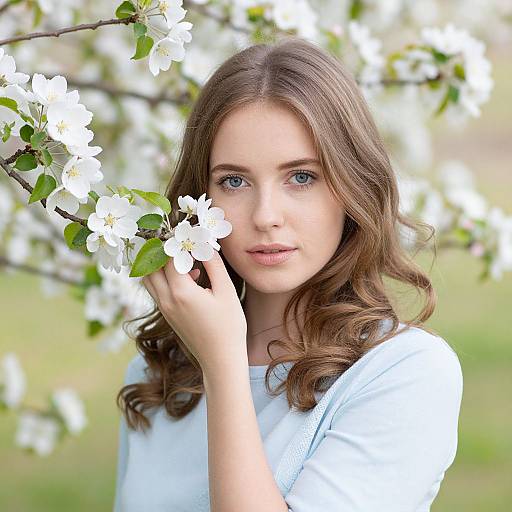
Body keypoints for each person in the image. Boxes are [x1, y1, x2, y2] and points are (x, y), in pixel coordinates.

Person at [113, 36, 463, 512]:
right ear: (200, 199)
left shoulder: (403, 373)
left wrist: (224, 365)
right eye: (234, 181)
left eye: (301, 176)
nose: (266, 215)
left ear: (351, 184)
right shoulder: (161, 373)